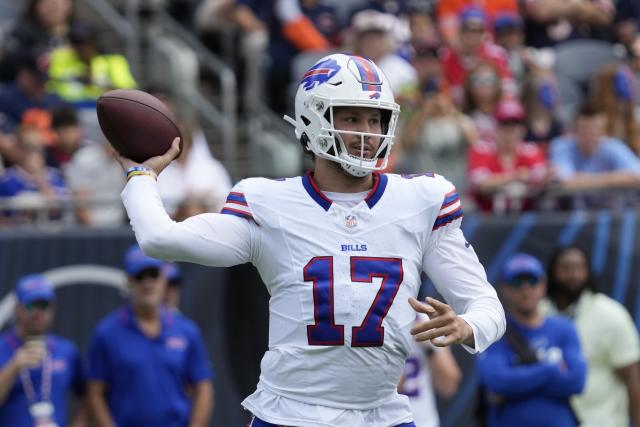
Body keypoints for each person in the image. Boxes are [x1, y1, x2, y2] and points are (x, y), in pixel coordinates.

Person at [116, 53, 505, 426]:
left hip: (381, 413)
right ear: (312, 118)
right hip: (290, 414)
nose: (366, 134)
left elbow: (488, 307)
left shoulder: (422, 200)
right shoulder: (268, 202)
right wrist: (141, 177)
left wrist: (468, 326)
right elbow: (159, 239)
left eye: (375, 120)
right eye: (352, 117)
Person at [87, 245, 214, 427]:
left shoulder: (187, 330)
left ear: (164, 279)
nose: (148, 283)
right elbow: (95, 391)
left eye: (153, 274)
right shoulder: (106, 332)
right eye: (140, 276)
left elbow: (203, 388)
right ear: (128, 282)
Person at [477, 253, 586, 427]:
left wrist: (517, 382)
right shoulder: (494, 333)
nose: (525, 289)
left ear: (543, 285)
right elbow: (497, 382)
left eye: (532, 281)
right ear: (504, 288)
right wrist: (550, 370)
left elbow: (576, 382)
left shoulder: (564, 328)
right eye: (517, 282)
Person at [543, 246, 640, 427]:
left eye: (579, 268)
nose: (573, 275)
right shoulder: (537, 314)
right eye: (565, 268)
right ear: (552, 272)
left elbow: (632, 377)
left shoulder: (611, 314)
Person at [0, 274, 86, 427]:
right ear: (17, 308)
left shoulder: (66, 350)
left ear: (53, 308)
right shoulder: (3, 347)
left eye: (44, 305)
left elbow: (87, 396)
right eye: (31, 305)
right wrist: (13, 367)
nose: (38, 313)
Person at [549, 103, 640, 208]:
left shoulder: (613, 147)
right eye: (585, 129)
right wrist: (617, 178)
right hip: (571, 217)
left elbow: (637, 177)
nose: (590, 135)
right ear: (575, 130)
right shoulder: (561, 146)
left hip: (610, 216)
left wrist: (583, 179)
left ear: (603, 131)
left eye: (595, 129)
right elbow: (563, 183)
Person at [467, 99, 548, 212]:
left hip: (525, 218)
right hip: (487, 219)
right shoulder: (482, 150)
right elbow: (481, 183)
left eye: (514, 127)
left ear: (522, 130)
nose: (510, 133)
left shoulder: (530, 150)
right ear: (495, 129)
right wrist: (515, 177)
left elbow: (541, 176)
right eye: (505, 127)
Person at [398, 314, 461, 427]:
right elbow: (381, 392)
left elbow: (449, 387)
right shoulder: (373, 318)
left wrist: (429, 347)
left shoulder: (425, 317)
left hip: (424, 422)